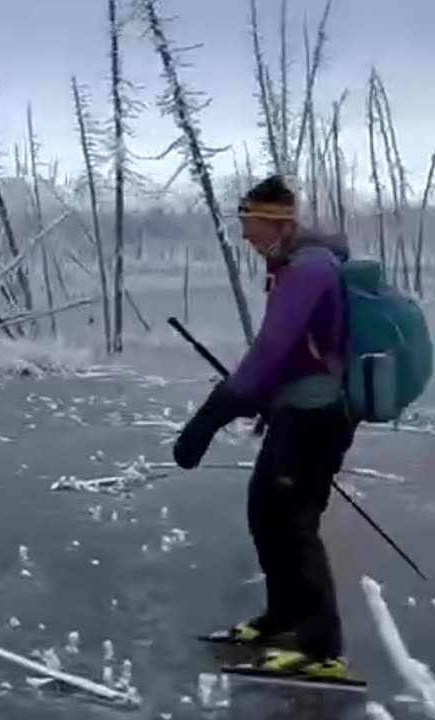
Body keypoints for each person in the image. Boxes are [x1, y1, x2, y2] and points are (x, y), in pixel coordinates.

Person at [172, 175, 357, 679]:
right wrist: (273, 402)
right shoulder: (291, 265)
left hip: (317, 420)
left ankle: (322, 648)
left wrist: (211, 414)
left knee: (294, 525)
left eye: (250, 224)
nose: (246, 236)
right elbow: (294, 353)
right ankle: (286, 615)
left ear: (276, 221)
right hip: (297, 411)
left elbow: (271, 349)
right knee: (266, 512)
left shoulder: (310, 270)